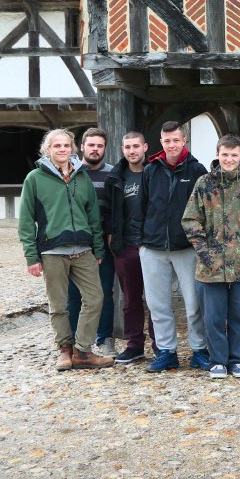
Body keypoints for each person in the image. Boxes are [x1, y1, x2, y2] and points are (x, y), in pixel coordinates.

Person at [18, 128, 112, 371]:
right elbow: (26, 220)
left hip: (83, 250)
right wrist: (31, 256)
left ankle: (82, 350)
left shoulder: (82, 178)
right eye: (56, 146)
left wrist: (98, 249)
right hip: (52, 252)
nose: (62, 149)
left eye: (66, 145)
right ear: (47, 150)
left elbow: (93, 216)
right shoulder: (34, 179)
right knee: (58, 305)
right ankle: (64, 349)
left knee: (95, 298)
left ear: (73, 149)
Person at [181, 134, 240, 379]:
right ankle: (217, 360)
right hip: (211, 265)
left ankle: (236, 360)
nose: (229, 159)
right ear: (218, 154)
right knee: (214, 316)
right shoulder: (204, 184)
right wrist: (204, 252)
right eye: (224, 154)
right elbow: (190, 220)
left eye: (234, 155)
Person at [139, 121, 209, 372]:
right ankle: (167, 351)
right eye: (167, 141)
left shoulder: (197, 169)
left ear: (184, 141)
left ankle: (199, 350)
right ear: (161, 142)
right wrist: (141, 241)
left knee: (194, 304)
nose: (172, 145)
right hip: (153, 247)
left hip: (186, 247)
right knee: (158, 305)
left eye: (176, 140)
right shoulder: (151, 170)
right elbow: (141, 207)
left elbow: (204, 210)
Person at [64, 127, 118, 358]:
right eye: (91, 145)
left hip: (103, 242)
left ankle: (104, 338)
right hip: (74, 242)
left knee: (104, 292)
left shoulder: (113, 174)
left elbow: (117, 209)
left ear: (104, 148)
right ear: (82, 146)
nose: (95, 149)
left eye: (100, 146)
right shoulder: (69, 173)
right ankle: (75, 342)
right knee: (74, 294)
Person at [104, 130, 156, 364]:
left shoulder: (155, 172)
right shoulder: (116, 177)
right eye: (128, 147)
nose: (132, 151)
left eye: (136, 146)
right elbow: (107, 210)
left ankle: (161, 345)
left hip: (152, 245)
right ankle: (135, 345)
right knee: (130, 299)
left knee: (157, 300)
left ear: (145, 148)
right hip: (125, 247)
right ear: (122, 150)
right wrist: (111, 237)